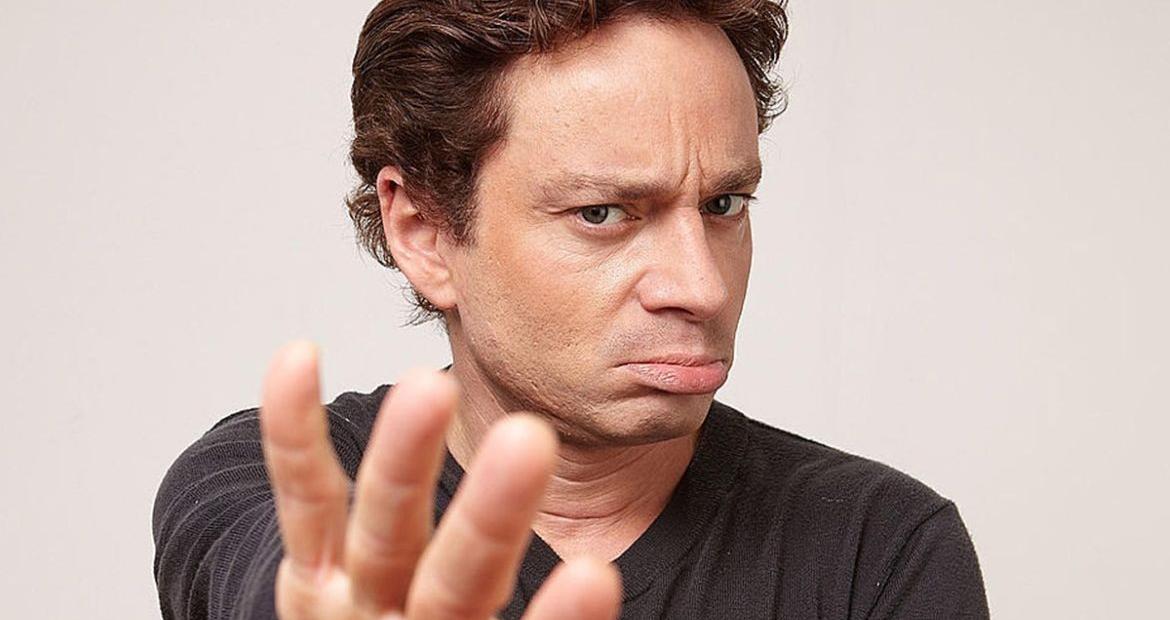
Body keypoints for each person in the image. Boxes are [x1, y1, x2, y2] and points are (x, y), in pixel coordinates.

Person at [153, 1, 990, 618]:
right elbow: (270, 577)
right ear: (425, 233)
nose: (701, 287)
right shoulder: (263, 482)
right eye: (602, 213)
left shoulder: (877, 549)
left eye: (724, 204)